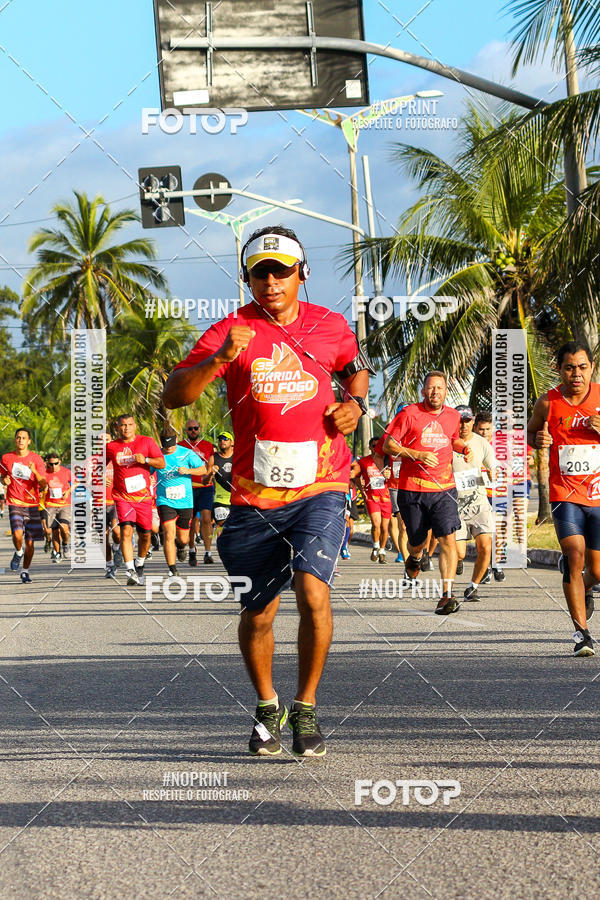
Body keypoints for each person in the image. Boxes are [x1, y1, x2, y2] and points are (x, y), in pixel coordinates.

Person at [163, 225, 371, 757]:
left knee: (313, 591)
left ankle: (305, 707)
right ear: (247, 278)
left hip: (322, 483)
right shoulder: (230, 330)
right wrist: (217, 361)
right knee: (258, 612)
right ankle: (266, 705)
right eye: (261, 272)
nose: (272, 281)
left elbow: (356, 370)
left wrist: (356, 406)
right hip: (256, 496)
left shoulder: (330, 324)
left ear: (302, 273)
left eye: (282, 270)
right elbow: (173, 396)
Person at [527, 341, 600, 657]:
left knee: (596, 571)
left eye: (582, 367)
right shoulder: (548, 402)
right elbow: (531, 434)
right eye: (570, 367)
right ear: (560, 370)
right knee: (574, 552)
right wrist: (538, 439)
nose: (576, 374)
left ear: (591, 368)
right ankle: (582, 634)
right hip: (564, 492)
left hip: (597, 493)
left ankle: (584, 588)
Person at [381, 371, 474, 614]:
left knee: (447, 540)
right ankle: (415, 558)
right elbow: (388, 445)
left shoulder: (453, 416)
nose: (435, 392)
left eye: (440, 388)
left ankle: (447, 595)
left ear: (446, 391)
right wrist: (417, 454)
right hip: (412, 490)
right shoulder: (409, 414)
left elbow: (451, 439)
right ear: (423, 391)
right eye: (431, 388)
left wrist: (463, 448)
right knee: (417, 543)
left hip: (444, 489)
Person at [106, 415, 165, 586]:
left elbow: (161, 463)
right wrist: (103, 475)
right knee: (126, 531)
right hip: (122, 497)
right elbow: (99, 464)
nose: (126, 428)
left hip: (144, 498)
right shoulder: (111, 446)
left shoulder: (146, 442)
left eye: (129, 425)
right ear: (117, 428)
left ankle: (139, 563)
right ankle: (130, 569)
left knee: (145, 535)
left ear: (135, 426)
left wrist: (145, 460)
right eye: (122, 425)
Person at [452, 406, 496, 601]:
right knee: (459, 553)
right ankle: (459, 561)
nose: (463, 425)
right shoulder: (447, 443)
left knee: (486, 546)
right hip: (455, 504)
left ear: (473, 422)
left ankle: (473, 587)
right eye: (460, 421)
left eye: (467, 421)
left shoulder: (482, 443)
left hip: (479, 502)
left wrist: (494, 473)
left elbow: (493, 465)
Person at [152, 425, 206, 577]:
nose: (168, 449)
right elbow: (147, 472)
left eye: (171, 446)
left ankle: (181, 546)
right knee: (169, 533)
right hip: (164, 500)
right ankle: (172, 568)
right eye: (165, 447)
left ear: (175, 442)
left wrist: (189, 471)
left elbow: (203, 469)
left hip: (185, 501)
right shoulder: (157, 455)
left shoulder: (186, 453)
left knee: (183, 538)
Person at [0, 427, 47, 583]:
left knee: (30, 542)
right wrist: (3, 480)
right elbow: (3, 475)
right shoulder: (7, 458)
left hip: (32, 504)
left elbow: (43, 483)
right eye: (18, 437)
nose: (20, 440)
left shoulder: (37, 459)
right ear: (15, 440)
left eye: (23, 438)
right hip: (15, 502)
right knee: (17, 534)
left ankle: (25, 571)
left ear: (29, 441)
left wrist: (35, 471)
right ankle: (18, 552)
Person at [474, 410, 505, 583]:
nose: (484, 433)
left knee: (498, 530)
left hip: (498, 492)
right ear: (475, 428)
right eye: (481, 429)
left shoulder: (501, 446)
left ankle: (496, 563)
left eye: (487, 429)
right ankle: (485, 566)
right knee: (483, 535)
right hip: (479, 494)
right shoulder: (470, 444)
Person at [179, 420, 215, 565]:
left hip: (205, 486)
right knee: (192, 521)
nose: (193, 431)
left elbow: (211, 464)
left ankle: (208, 552)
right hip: (188, 487)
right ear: (186, 430)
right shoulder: (181, 446)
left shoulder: (207, 445)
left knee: (206, 518)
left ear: (199, 429)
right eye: (190, 429)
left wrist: (211, 474)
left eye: (195, 428)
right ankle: (192, 550)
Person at [356, 437, 392, 564]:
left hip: (386, 498)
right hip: (372, 497)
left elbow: (396, 478)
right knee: (376, 524)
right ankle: (376, 545)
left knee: (384, 527)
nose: (377, 448)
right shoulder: (364, 462)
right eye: (374, 445)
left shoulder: (388, 461)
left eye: (379, 445)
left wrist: (390, 476)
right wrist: (361, 490)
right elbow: (356, 476)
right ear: (370, 447)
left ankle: (382, 550)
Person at [43, 452, 72, 562]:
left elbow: (77, 482)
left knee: (64, 528)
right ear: (48, 464)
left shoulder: (66, 472)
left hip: (64, 504)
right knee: (54, 531)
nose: (53, 466)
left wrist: (69, 491)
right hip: (50, 505)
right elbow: (40, 486)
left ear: (59, 462)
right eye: (51, 464)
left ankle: (65, 544)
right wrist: (43, 490)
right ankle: (57, 552)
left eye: (56, 463)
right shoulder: (45, 473)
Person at [207, 431, 235, 532]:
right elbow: (205, 481)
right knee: (222, 526)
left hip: (236, 499)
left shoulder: (237, 456)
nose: (222, 441)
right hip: (220, 499)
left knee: (236, 528)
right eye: (220, 439)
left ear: (231, 442)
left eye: (225, 439)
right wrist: (211, 473)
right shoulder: (213, 458)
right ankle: (222, 547)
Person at [340, 459, 361, 560]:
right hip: (340, 492)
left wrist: (352, 474)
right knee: (346, 520)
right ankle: (343, 547)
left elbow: (357, 469)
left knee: (351, 525)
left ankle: (345, 546)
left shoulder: (348, 457)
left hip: (351, 495)